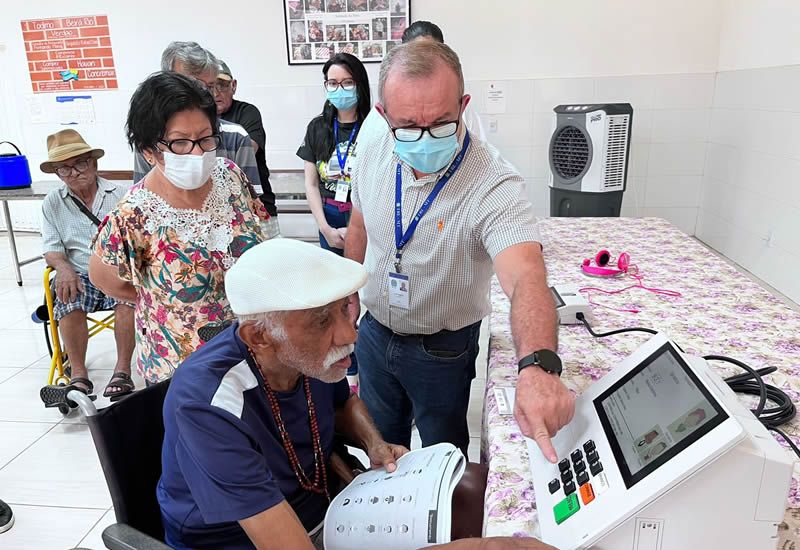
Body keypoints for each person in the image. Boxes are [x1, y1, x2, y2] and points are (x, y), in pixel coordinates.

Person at [157, 238, 555, 550]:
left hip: (323, 502)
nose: (349, 335)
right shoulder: (207, 405)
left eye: (345, 310)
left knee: (478, 489)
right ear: (258, 336)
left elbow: (343, 404)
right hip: (239, 540)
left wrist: (374, 443)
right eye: (321, 322)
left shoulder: (304, 356)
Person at [346, 40, 574, 462]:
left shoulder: (493, 182)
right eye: (409, 127)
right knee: (379, 445)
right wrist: (346, 294)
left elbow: (525, 275)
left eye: (442, 123)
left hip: (442, 347)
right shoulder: (374, 149)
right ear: (383, 116)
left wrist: (538, 366)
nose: (426, 138)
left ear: (463, 105)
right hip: (374, 333)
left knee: (442, 451)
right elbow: (359, 223)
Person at [89, 72, 267, 385]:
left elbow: (260, 240)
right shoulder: (135, 215)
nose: (198, 153)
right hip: (182, 369)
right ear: (148, 150)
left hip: (251, 352)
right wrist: (163, 300)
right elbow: (105, 278)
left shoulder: (231, 178)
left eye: (205, 138)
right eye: (181, 143)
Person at [40, 129, 135, 398]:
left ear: (94, 163)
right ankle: (78, 375)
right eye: (64, 169)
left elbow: (138, 241)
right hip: (80, 273)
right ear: (57, 173)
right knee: (67, 297)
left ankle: (122, 371)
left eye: (80, 163)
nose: (74, 173)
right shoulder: (53, 202)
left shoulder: (122, 195)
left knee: (128, 297)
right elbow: (52, 248)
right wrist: (64, 269)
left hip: (117, 269)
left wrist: (125, 268)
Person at [297, 53, 370, 390]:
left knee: (362, 294)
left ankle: (365, 368)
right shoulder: (318, 127)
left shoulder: (374, 126)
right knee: (334, 299)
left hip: (365, 219)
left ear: (359, 84)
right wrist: (325, 228)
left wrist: (357, 225)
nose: (339, 90)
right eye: (332, 84)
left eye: (346, 83)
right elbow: (311, 183)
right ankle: (341, 367)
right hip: (329, 217)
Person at [132, 42, 262, 205]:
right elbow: (143, 198)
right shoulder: (150, 140)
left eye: (210, 86)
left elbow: (250, 207)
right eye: (194, 84)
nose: (206, 95)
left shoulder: (235, 138)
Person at [355, 20, 486, 153]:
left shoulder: (463, 113)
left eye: (440, 123)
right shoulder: (380, 118)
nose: (423, 62)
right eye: (408, 125)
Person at [215, 60, 280, 238]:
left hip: (258, 207)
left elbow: (247, 149)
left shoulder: (247, 112)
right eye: (210, 86)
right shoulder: (199, 118)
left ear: (233, 86)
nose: (215, 93)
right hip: (218, 212)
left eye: (222, 85)